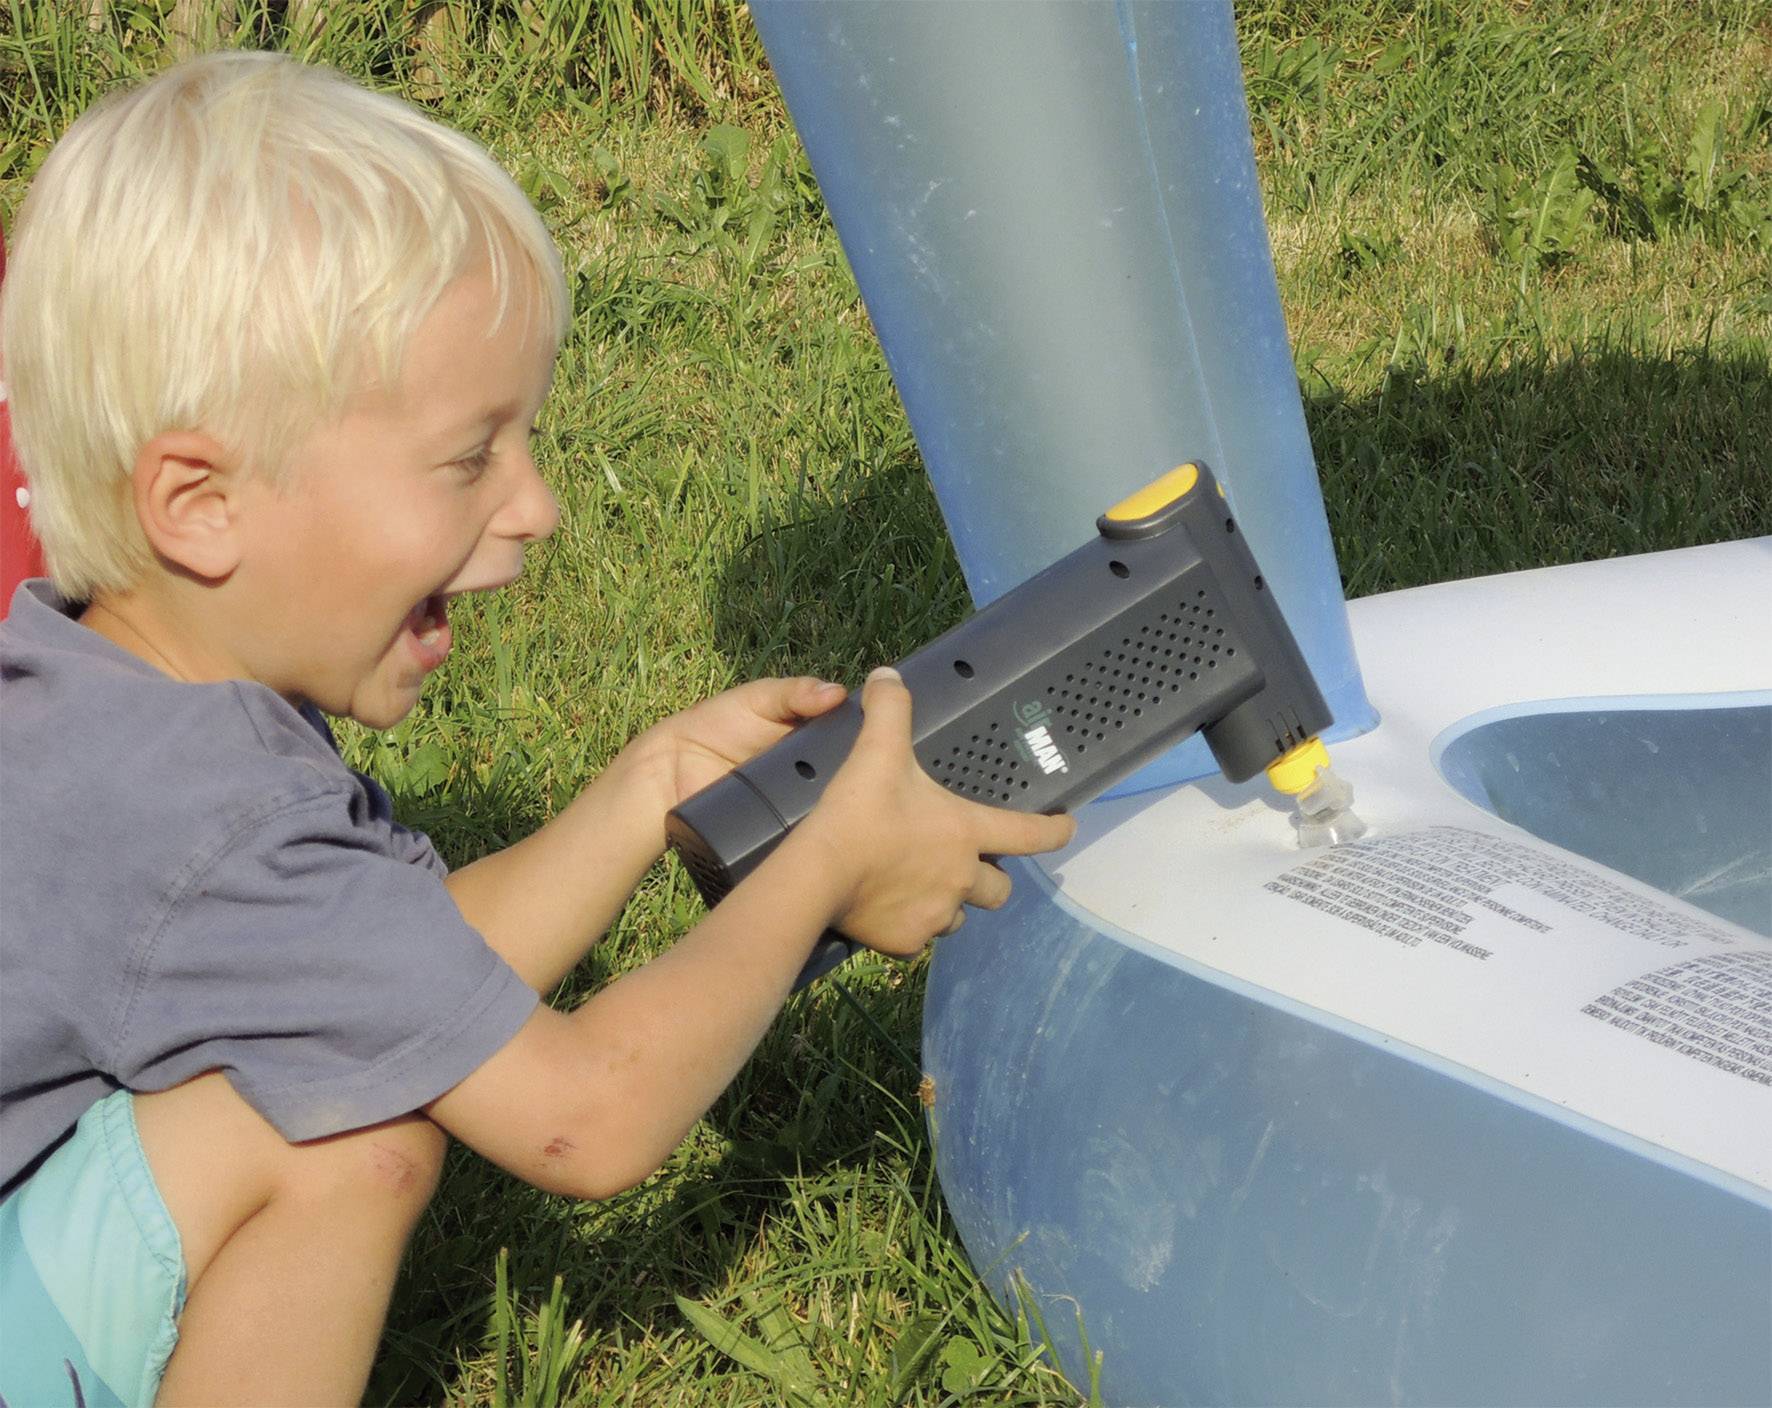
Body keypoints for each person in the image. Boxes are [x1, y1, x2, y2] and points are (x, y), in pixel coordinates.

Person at [0, 52, 1075, 1406]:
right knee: (338, 1134)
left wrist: (638, 800)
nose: (538, 505)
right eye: (470, 457)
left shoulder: (90, 691)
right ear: (201, 505)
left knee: (335, 1061)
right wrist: (821, 878)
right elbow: (587, 1116)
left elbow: (380, 975)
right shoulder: (218, 825)